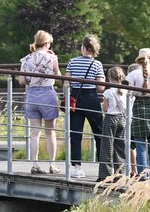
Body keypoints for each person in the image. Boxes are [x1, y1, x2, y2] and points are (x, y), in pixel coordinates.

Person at [17, 30, 61, 175]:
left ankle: (35, 164)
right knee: (50, 132)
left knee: (35, 132)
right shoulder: (51, 58)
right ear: (47, 43)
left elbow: (21, 80)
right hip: (47, 94)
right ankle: (52, 164)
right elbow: (58, 75)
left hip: (32, 95)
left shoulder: (26, 59)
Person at [64, 35, 105, 179]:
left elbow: (66, 83)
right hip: (91, 98)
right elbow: (100, 87)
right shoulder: (97, 64)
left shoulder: (72, 62)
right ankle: (103, 167)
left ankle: (77, 168)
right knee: (99, 133)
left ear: (83, 48)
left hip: (75, 98)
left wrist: (67, 97)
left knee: (75, 134)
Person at [125, 48, 150, 180]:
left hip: (138, 108)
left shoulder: (132, 75)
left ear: (138, 61)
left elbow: (129, 94)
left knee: (140, 145)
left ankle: (142, 175)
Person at [98, 67, 128, 181]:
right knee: (120, 147)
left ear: (109, 78)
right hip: (122, 119)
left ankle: (104, 175)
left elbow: (105, 109)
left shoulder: (108, 92)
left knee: (106, 147)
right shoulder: (126, 91)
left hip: (110, 119)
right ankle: (120, 175)